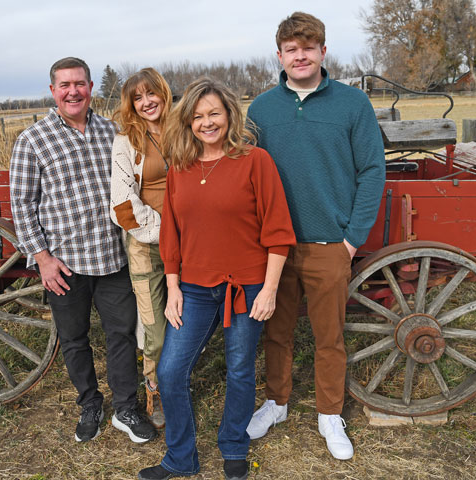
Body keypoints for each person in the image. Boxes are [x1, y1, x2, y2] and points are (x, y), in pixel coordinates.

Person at [137, 78, 296, 480]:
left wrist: (271, 289)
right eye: (198, 116)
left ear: (229, 114)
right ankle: (180, 458)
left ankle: (233, 447)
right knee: (171, 371)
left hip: (247, 287)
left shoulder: (255, 161)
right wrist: (172, 286)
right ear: (188, 122)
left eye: (214, 114)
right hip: (193, 286)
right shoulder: (181, 168)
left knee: (240, 368)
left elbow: (278, 230)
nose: (207, 123)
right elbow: (171, 232)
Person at [245, 12, 386, 460]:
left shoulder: (352, 104)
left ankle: (329, 413)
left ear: (323, 52)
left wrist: (351, 238)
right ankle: (277, 402)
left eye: (309, 47)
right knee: (277, 331)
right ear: (280, 56)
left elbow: (371, 170)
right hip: (276, 247)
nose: (300, 55)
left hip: (330, 243)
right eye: (291, 49)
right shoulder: (262, 109)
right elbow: (248, 175)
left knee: (329, 336)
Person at [9, 57, 156, 445]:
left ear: (91, 87)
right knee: (74, 338)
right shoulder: (33, 140)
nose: (73, 91)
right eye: (64, 85)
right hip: (64, 263)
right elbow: (22, 203)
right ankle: (90, 403)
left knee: (121, 334)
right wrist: (42, 258)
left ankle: (126, 407)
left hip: (111, 257)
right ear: (53, 90)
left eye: (80, 84)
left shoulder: (113, 133)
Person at [110, 68, 173, 429]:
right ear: (131, 104)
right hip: (147, 245)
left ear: (163, 94)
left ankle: (177, 379)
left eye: (152, 94)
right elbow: (122, 203)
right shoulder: (126, 142)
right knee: (154, 326)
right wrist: (166, 232)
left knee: (187, 317)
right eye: (138, 97)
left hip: (191, 244)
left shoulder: (186, 129)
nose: (147, 102)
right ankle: (155, 387)